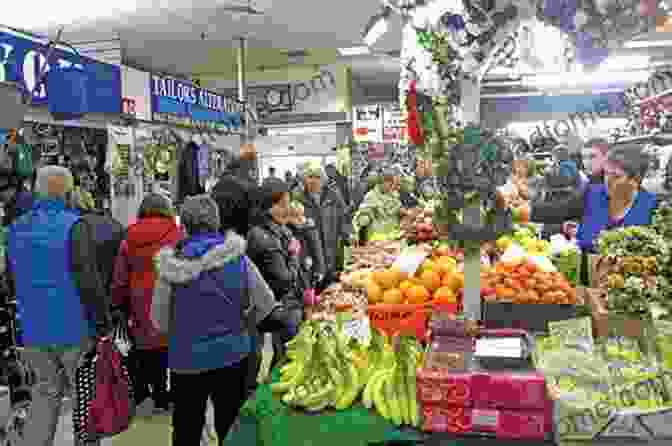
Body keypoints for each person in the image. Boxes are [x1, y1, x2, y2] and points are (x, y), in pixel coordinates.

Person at [152, 194, 296, 445]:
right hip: (233, 356)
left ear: (184, 225)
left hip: (186, 361)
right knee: (230, 427)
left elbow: (159, 320)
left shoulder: (171, 267)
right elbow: (265, 303)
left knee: (186, 428)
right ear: (217, 222)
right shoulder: (238, 259)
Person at [6, 166, 112, 446]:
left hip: (33, 328)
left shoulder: (15, 228)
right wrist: (102, 325)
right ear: (68, 192)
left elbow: (11, 279)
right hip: (74, 327)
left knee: (44, 393)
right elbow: (87, 280)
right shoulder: (75, 226)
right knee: (84, 398)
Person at [525, 144, 657, 281]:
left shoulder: (651, 207)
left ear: (636, 179)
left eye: (617, 176)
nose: (609, 181)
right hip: (585, 278)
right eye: (606, 173)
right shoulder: (592, 193)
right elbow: (558, 209)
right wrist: (519, 210)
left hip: (626, 284)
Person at [111, 193, 183, 410]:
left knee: (147, 347)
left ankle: (153, 393)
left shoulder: (128, 238)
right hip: (171, 297)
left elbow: (120, 278)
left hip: (139, 300)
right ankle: (171, 394)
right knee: (172, 346)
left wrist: (117, 303)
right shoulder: (177, 234)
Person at [247, 179, 303, 364]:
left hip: (275, 305)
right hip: (274, 308)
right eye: (282, 205)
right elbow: (284, 281)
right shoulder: (264, 238)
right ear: (267, 206)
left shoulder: (275, 229)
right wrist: (294, 254)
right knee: (286, 359)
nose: (287, 209)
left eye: (288, 204)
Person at [292, 162, 350, 288]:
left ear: (323, 180)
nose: (314, 181)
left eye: (317, 177)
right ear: (304, 179)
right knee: (315, 287)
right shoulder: (297, 198)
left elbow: (344, 217)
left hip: (332, 249)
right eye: (310, 177)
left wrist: (348, 235)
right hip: (311, 252)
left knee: (332, 288)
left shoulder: (334, 195)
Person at [211, 148, 263, 237]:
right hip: (242, 237)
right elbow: (254, 218)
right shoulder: (248, 187)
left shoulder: (217, 186)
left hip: (221, 236)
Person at [352, 167, 403, 243]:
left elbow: (398, 209)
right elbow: (362, 213)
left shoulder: (394, 195)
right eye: (389, 184)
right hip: (376, 238)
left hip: (393, 236)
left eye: (392, 184)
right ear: (381, 183)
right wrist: (364, 218)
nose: (391, 187)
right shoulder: (371, 196)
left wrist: (402, 213)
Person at [286, 201, 326, 295]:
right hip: (298, 272)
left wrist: (319, 269)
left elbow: (316, 249)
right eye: (296, 216)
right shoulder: (288, 232)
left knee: (310, 289)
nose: (300, 219)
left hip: (308, 270)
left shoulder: (308, 229)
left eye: (302, 215)